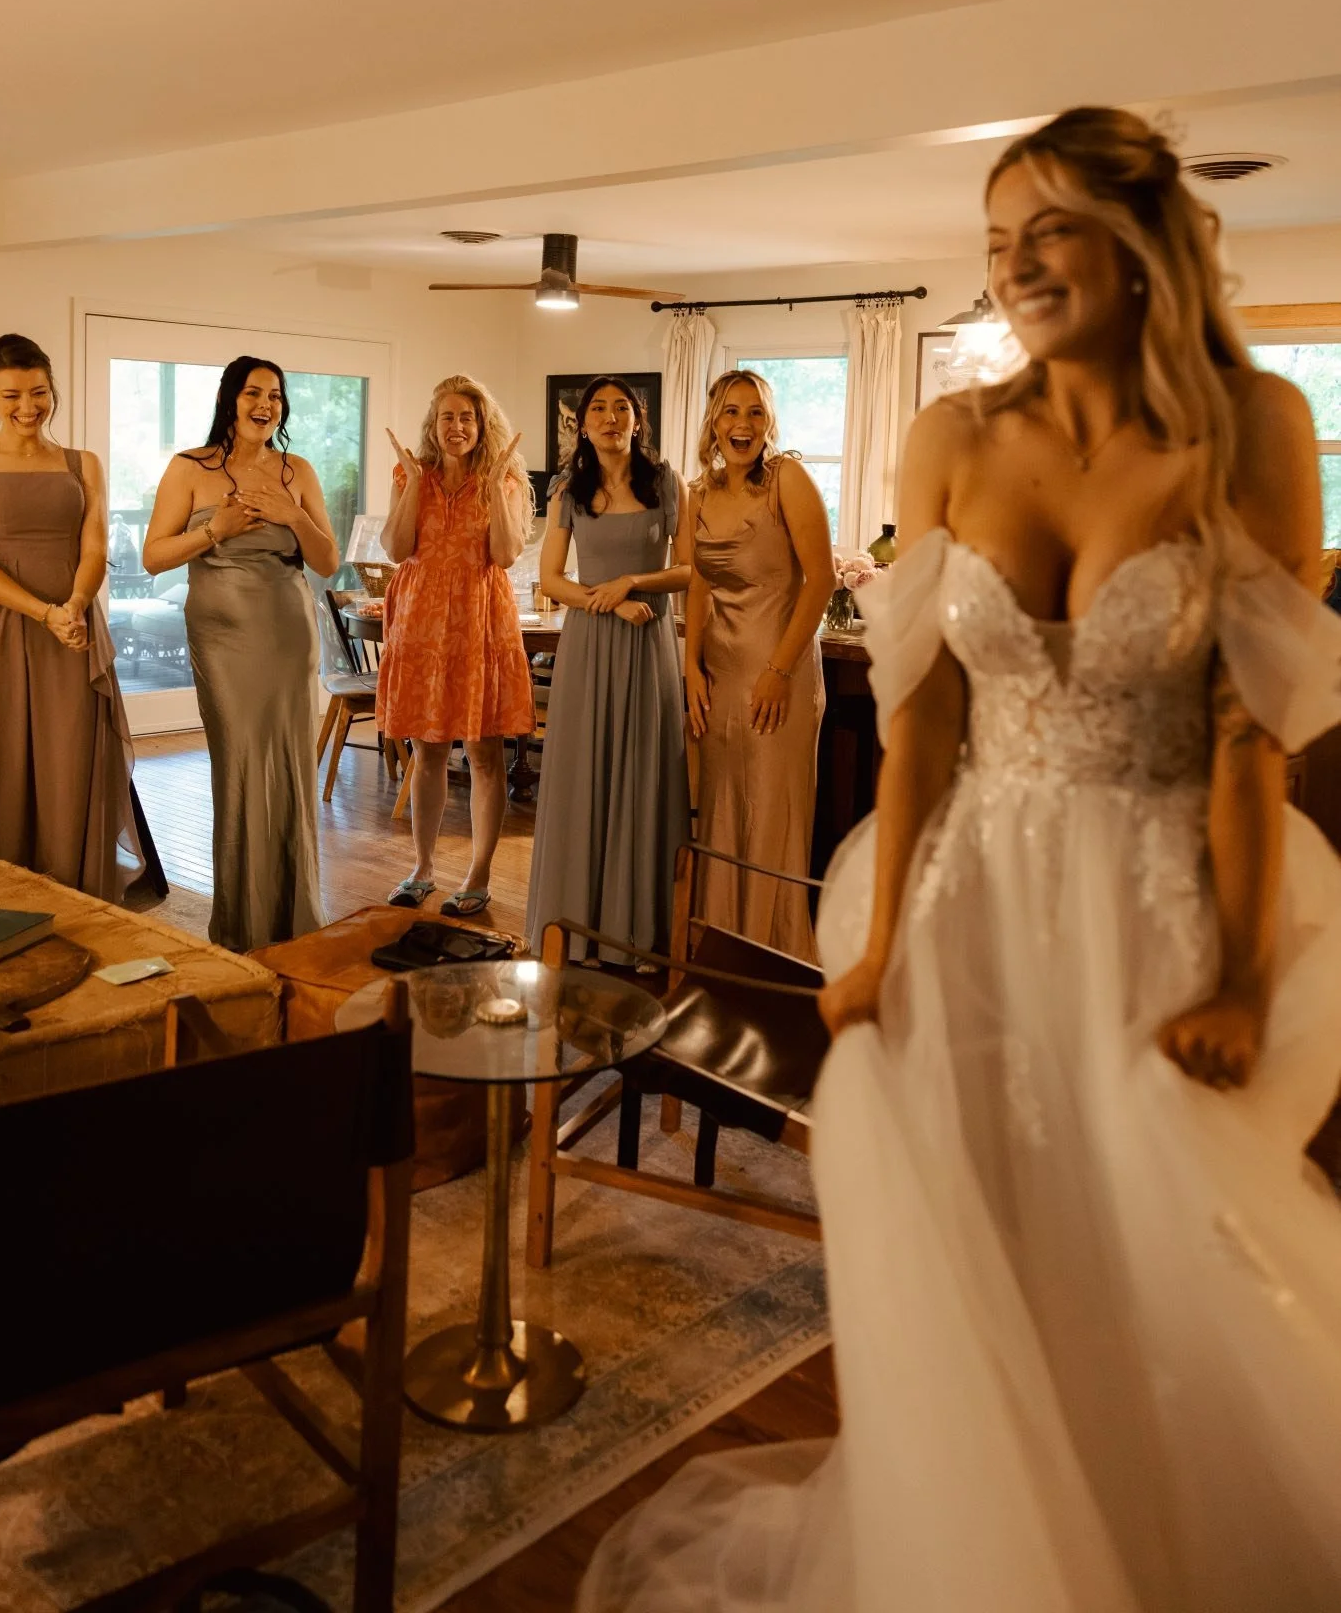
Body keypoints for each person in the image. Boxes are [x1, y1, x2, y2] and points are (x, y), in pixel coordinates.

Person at [579, 107, 1341, 1612]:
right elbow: (920, 723)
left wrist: (1245, 978)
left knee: (1157, 1245)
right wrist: (872, 952)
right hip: (973, 889)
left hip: (1159, 896)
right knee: (982, 1229)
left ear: (1140, 244)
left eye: (1046, 231)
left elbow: (1253, 741)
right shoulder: (952, 437)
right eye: (996, 244)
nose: (1015, 269)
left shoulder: (1250, 431)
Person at [144, 356, 339, 950]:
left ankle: (295, 916)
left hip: (288, 628)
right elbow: (154, 556)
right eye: (254, 393)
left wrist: (293, 515)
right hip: (223, 633)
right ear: (231, 400)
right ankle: (241, 923)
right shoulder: (189, 469)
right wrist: (216, 529)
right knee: (239, 764)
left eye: (276, 396)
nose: (266, 405)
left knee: (289, 765)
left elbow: (328, 562)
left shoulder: (297, 471)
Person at [526, 376, 690, 957]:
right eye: (598, 409)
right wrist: (612, 602)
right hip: (592, 644)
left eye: (622, 408)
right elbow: (549, 579)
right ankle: (576, 930)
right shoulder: (569, 489)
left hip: (650, 649)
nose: (611, 417)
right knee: (584, 775)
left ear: (638, 421)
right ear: (583, 424)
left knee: (645, 776)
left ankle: (638, 936)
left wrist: (634, 582)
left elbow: (690, 569)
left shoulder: (667, 483)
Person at [0, 333, 140, 900]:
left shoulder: (81, 463)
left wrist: (71, 609)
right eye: (12, 395)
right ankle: (4, 896)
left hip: (72, 629)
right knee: (0, 756)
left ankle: (74, 894)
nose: (28, 407)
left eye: (39, 392)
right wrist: (44, 612)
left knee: (69, 757)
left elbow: (93, 549)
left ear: (53, 392)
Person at [681, 370, 834, 957]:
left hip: (781, 672)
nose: (742, 425)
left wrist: (780, 670)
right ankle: (722, 946)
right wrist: (691, 667)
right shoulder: (702, 492)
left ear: (769, 423)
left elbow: (819, 581)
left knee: (773, 810)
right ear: (713, 423)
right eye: (730, 413)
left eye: (754, 413)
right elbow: (698, 583)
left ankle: (777, 954)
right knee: (721, 808)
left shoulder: (787, 480)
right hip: (719, 675)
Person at [377, 374, 535, 915]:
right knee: (428, 751)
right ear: (434, 424)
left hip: (479, 622)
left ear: (481, 424)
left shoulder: (505, 481)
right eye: (447, 417)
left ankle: (479, 874)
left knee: (485, 754)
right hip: (421, 625)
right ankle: (421, 868)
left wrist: (494, 490)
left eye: (467, 417)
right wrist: (416, 486)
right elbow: (398, 549)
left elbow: (508, 554)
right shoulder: (408, 475)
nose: (457, 426)